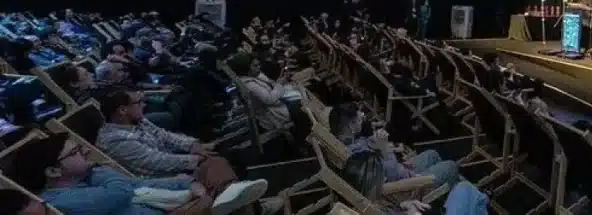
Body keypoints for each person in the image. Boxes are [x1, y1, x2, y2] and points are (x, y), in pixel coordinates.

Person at [12, 132, 273, 215]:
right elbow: (122, 192)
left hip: (164, 203)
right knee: (215, 193)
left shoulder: (82, 179)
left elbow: (136, 185)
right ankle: (238, 200)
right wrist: (99, 170)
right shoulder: (60, 201)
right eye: (76, 152)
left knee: (212, 164)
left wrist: (184, 184)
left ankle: (228, 195)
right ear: (53, 170)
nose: (86, 153)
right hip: (165, 212)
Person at [329, 104, 460, 187]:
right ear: (351, 126)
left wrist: (375, 140)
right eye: (359, 119)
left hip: (400, 171)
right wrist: (384, 147)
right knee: (451, 166)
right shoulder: (357, 155)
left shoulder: (348, 143)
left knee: (432, 154)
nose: (363, 116)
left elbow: (368, 146)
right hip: (404, 185)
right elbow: (392, 174)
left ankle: (446, 196)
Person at [342, 150, 487, 215]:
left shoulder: (365, 206)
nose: (385, 179)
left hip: (404, 192)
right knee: (464, 190)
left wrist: (401, 207)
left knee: (467, 193)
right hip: (411, 184)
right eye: (381, 177)